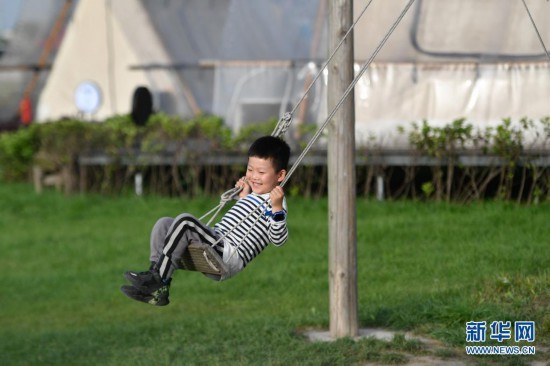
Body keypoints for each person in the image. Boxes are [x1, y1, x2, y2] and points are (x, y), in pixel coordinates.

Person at [121, 135, 291, 306]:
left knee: (185, 221)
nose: (254, 176)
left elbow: (279, 239)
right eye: (250, 170)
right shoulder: (255, 194)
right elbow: (247, 223)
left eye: (261, 172)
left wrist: (277, 208)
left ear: (280, 175)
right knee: (164, 223)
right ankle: (155, 280)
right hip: (218, 241)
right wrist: (243, 196)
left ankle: (159, 279)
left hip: (228, 255)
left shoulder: (275, 201)